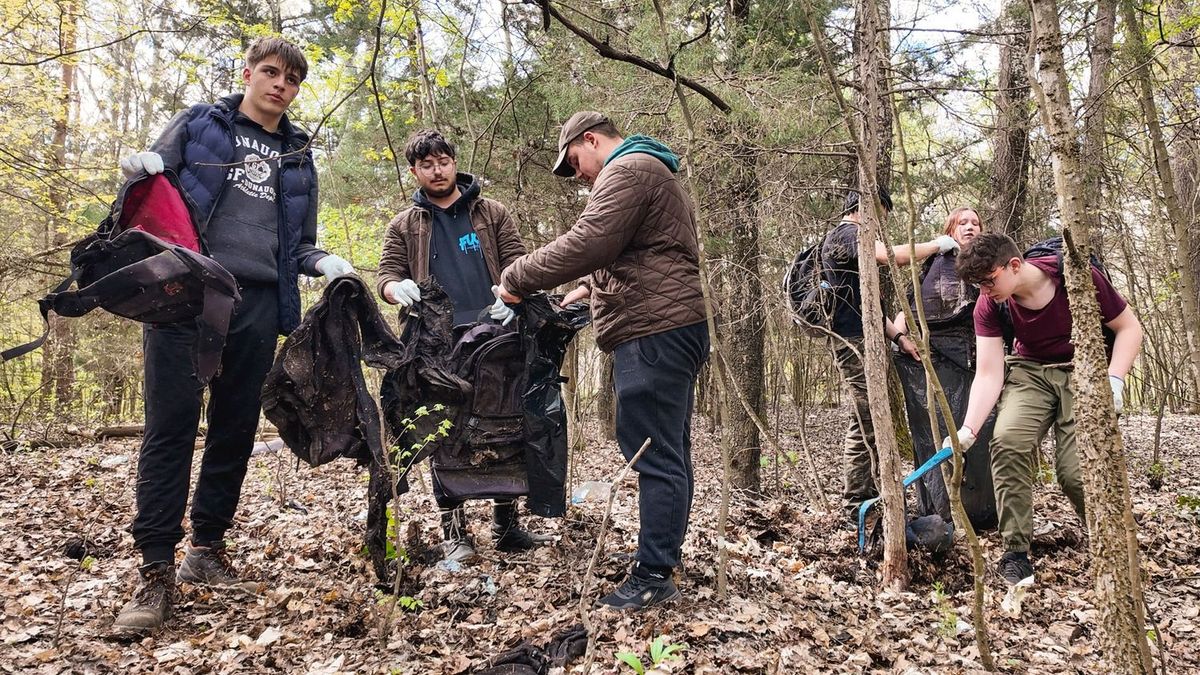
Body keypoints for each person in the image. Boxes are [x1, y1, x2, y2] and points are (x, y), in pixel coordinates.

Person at [112, 37, 356, 634]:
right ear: (247, 74)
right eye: (271, 72)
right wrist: (135, 171)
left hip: (258, 303)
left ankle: (206, 549)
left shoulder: (298, 157)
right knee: (170, 428)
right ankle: (154, 571)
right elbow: (148, 192)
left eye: (292, 79)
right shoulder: (200, 125)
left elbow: (298, 245)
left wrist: (324, 262)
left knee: (235, 429)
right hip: (184, 293)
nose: (280, 85)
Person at [497, 111, 708, 610]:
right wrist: (590, 288)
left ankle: (653, 576)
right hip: (668, 326)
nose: (578, 176)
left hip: (654, 331)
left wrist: (515, 277)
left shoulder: (629, 168)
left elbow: (590, 241)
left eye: (574, 163)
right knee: (668, 450)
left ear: (590, 140)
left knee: (653, 453)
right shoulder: (648, 169)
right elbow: (648, 251)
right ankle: (662, 559)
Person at [376, 129, 550, 564]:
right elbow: (386, 275)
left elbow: (518, 262)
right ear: (414, 171)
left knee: (505, 426)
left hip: (496, 333)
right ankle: (454, 533)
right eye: (427, 165)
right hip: (436, 343)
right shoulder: (405, 225)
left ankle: (506, 525)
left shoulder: (492, 213)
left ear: (455, 162)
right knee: (445, 432)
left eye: (443, 161)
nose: (437, 171)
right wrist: (397, 290)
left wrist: (514, 297)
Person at [950, 232, 1143, 585]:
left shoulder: (1076, 276)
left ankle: (1112, 541)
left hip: (1083, 370)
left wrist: (1114, 380)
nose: (985, 291)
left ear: (1014, 265)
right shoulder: (990, 304)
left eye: (989, 281)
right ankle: (1015, 552)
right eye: (978, 285)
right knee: (1007, 442)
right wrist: (968, 429)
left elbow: (1128, 327)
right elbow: (989, 372)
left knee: (1075, 471)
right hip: (1029, 371)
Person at [822, 187, 961, 523]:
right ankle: (856, 503)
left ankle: (869, 497)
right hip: (852, 341)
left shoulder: (852, 240)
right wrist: (937, 245)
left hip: (864, 337)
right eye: (878, 216)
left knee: (871, 415)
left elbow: (866, 305)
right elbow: (889, 256)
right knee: (865, 417)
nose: (879, 224)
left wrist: (898, 337)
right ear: (862, 209)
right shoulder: (846, 234)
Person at [889, 206, 997, 530]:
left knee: (981, 435)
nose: (969, 227)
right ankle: (941, 509)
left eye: (975, 223)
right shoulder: (933, 267)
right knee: (936, 437)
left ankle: (982, 512)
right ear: (950, 231)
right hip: (935, 363)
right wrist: (900, 339)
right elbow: (908, 308)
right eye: (962, 223)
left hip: (980, 362)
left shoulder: (991, 268)